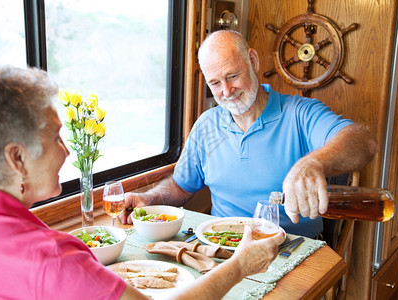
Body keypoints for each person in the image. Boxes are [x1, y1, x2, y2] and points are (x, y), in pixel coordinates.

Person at [0, 65, 285, 299]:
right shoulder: (50, 259)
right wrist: (240, 266)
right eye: (55, 138)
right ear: (18, 159)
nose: (67, 151)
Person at [120, 30, 379, 238]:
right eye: (215, 83)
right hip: (223, 247)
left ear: (252, 61)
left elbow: (363, 142)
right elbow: (180, 186)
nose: (226, 91)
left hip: (291, 251)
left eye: (233, 75)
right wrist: (148, 198)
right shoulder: (207, 126)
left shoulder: (300, 114)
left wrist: (313, 163)